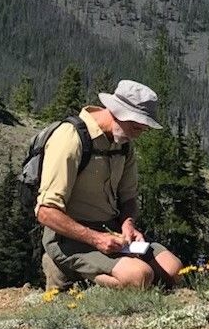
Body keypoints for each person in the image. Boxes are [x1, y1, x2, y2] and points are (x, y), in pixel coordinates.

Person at [36, 79, 183, 290]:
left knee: (173, 270)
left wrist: (128, 224)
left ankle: (106, 274)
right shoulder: (70, 138)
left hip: (112, 231)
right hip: (68, 236)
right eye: (135, 127)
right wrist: (95, 239)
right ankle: (69, 272)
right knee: (140, 277)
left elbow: (128, 197)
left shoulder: (123, 144)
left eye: (143, 129)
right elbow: (46, 212)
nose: (138, 134)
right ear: (116, 112)